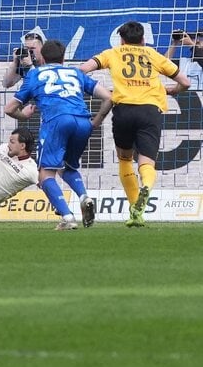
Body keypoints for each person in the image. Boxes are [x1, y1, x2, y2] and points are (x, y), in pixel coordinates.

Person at [78, 21, 191, 227]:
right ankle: (145, 189)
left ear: (121, 39)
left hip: (123, 110)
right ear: (143, 39)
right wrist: (174, 90)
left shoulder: (112, 53)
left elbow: (83, 69)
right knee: (147, 162)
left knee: (125, 159)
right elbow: (186, 82)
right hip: (149, 111)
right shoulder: (153, 55)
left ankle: (134, 208)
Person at [5, 39, 113, 230]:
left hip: (57, 121)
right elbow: (108, 97)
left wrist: (24, 115)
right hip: (82, 122)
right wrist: (95, 123)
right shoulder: (76, 72)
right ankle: (84, 196)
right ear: (64, 58)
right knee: (67, 167)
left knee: (45, 174)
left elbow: (10, 109)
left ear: (43, 58)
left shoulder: (35, 74)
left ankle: (68, 217)